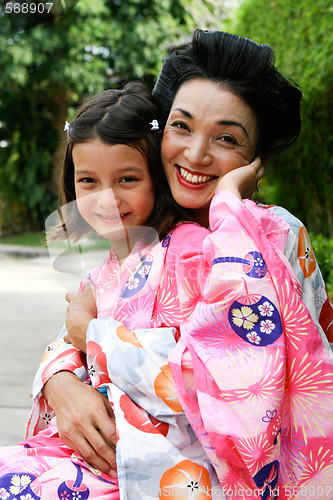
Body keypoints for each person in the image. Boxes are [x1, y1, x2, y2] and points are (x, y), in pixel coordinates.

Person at [1, 29, 332, 499]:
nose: (195, 154)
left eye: (226, 138)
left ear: (259, 157)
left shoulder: (269, 233)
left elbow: (231, 380)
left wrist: (90, 337)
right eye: (182, 126)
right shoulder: (148, 237)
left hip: (201, 476)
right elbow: (76, 326)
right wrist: (58, 378)